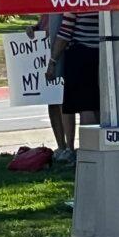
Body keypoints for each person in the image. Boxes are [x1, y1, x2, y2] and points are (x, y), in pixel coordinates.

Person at [27, 13, 73, 162]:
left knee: (65, 102)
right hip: (46, 51)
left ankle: (70, 148)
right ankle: (61, 146)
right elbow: (44, 23)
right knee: (53, 102)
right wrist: (35, 28)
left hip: (63, 50)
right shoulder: (47, 5)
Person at [47, 12, 100, 129]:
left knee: (85, 106)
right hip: (103, 52)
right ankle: (98, 143)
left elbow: (66, 31)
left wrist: (53, 60)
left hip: (80, 54)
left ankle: (89, 144)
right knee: (98, 106)